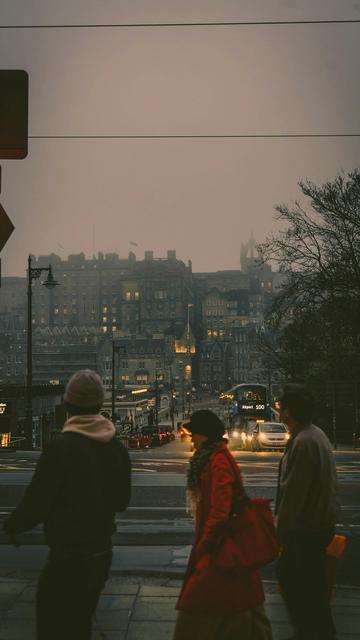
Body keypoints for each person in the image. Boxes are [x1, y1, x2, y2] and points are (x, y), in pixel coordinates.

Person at [3, 369, 131, 640]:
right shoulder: (116, 448)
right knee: (80, 622)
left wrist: (13, 526)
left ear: (68, 405)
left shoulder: (60, 448)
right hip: (101, 553)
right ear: (99, 405)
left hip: (68, 554)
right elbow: (122, 501)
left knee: (53, 624)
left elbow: (38, 501)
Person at [173, 409, 272, 640]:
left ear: (204, 435)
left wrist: (205, 544)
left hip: (220, 547)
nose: (191, 439)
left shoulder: (217, 461)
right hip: (225, 546)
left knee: (198, 601)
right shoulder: (214, 458)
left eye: (194, 434)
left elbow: (220, 510)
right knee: (242, 599)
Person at [276, 384, 340, 640]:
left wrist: (280, 532)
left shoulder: (303, 442)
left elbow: (294, 494)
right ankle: (319, 630)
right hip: (319, 524)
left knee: (292, 578)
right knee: (313, 586)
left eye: (282, 409)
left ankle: (310, 631)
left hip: (305, 528)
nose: (279, 414)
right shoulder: (316, 435)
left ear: (291, 411)